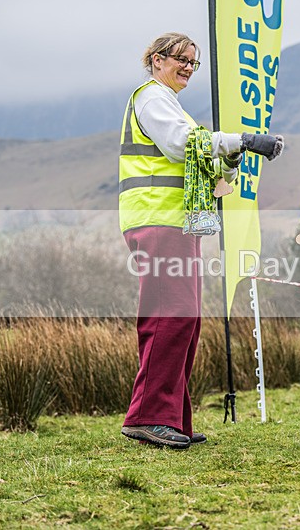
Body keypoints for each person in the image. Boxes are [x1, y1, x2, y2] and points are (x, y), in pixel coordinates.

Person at [119, 33, 283, 449]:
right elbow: (180, 146)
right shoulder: (152, 98)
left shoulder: (170, 103)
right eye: (182, 60)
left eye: (195, 62)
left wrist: (230, 154)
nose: (190, 67)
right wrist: (243, 140)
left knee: (185, 320)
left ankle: (172, 419)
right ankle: (148, 417)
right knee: (168, 316)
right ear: (157, 60)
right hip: (158, 219)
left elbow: (202, 156)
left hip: (179, 222)